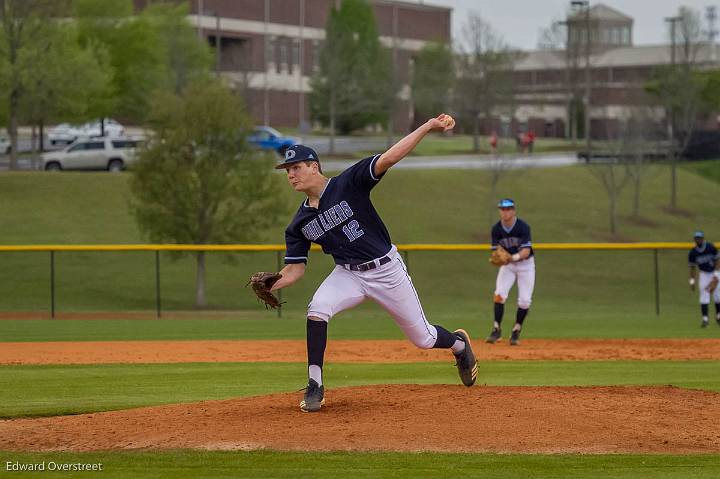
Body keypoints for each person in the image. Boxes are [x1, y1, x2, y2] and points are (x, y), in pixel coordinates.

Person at [262, 114, 478, 413]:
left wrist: (428, 126)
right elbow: (295, 269)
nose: (291, 175)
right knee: (317, 309)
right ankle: (315, 384)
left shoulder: (348, 183)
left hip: (386, 270)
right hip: (348, 274)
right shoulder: (299, 224)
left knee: (424, 338)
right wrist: (274, 282)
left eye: (296, 167)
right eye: (287, 170)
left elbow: (389, 157)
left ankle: (458, 345)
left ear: (314, 166)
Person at [485, 198, 535, 346]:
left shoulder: (523, 227)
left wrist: (511, 257)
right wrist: (499, 258)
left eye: (508, 209)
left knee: (525, 301)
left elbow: (526, 251)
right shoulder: (496, 229)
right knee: (499, 295)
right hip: (508, 266)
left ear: (513, 211)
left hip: (525, 265)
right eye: (502, 209)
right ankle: (496, 329)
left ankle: (516, 330)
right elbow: (496, 251)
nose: (505, 212)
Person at [688, 231, 720, 328]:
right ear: (695, 239)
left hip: (715, 272)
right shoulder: (693, 252)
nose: (698, 240)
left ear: (703, 238)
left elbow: (718, 260)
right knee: (704, 295)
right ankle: (705, 319)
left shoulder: (710, 247)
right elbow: (693, 267)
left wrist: (716, 275)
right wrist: (692, 280)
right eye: (696, 238)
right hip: (704, 274)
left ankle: (719, 316)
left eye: (700, 238)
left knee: (718, 295)